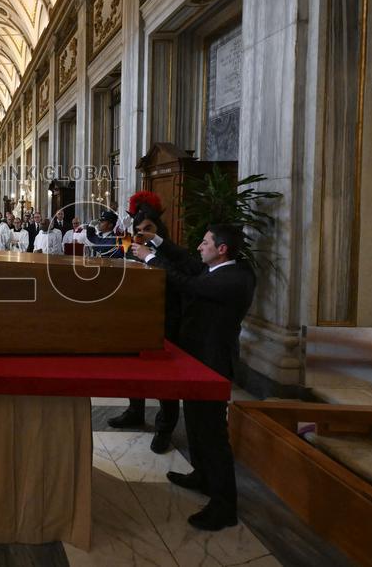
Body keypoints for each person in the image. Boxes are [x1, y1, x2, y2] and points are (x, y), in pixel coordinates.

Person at [130, 224, 256, 531]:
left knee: (213, 433)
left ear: (221, 249)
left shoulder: (237, 278)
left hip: (213, 362)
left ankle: (225, 506)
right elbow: (184, 260)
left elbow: (187, 284)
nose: (199, 247)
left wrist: (149, 259)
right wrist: (156, 241)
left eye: (205, 242)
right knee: (196, 424)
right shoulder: (213, 268)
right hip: (196, 358)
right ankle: (201, 475)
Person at [107, 193, 181, 453]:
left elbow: (174, 280)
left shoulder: (169, 249)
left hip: (164, 317)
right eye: (138, 229)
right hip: (134, 314)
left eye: (148, 229)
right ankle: (134, 410)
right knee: (133, 368)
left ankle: (165, 426)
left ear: (158, 228)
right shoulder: (130, 242)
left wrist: (149, 255)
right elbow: (116, 261)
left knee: (165, 376)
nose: (142, 234)